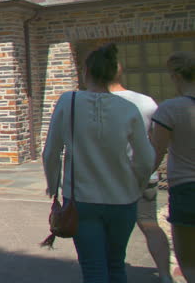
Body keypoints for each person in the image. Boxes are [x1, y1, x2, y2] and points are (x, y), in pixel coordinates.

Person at [43, 43, 155, 283]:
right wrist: (139, 185)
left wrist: (53, 186)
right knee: (116, 265)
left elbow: (51, 151)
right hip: (123, 200)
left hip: (82, 201)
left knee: (93, 268)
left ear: (86, 72)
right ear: (114, 74)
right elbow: (146, 158)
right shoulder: (128, 109)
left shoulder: (68, 101)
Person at [109, 65, 173, 283]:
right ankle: (164, 274)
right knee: (149, 223)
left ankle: (112, 273)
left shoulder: (98, 104)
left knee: (109, 229)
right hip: (144, 175)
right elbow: (157, 141)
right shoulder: (146, 101)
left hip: (113, 179)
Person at [151, 51, 195, 283]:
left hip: (187, 191)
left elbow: (156, 152)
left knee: (188, 263)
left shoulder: (170, 109)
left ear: (176, 76)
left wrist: (138, 181)